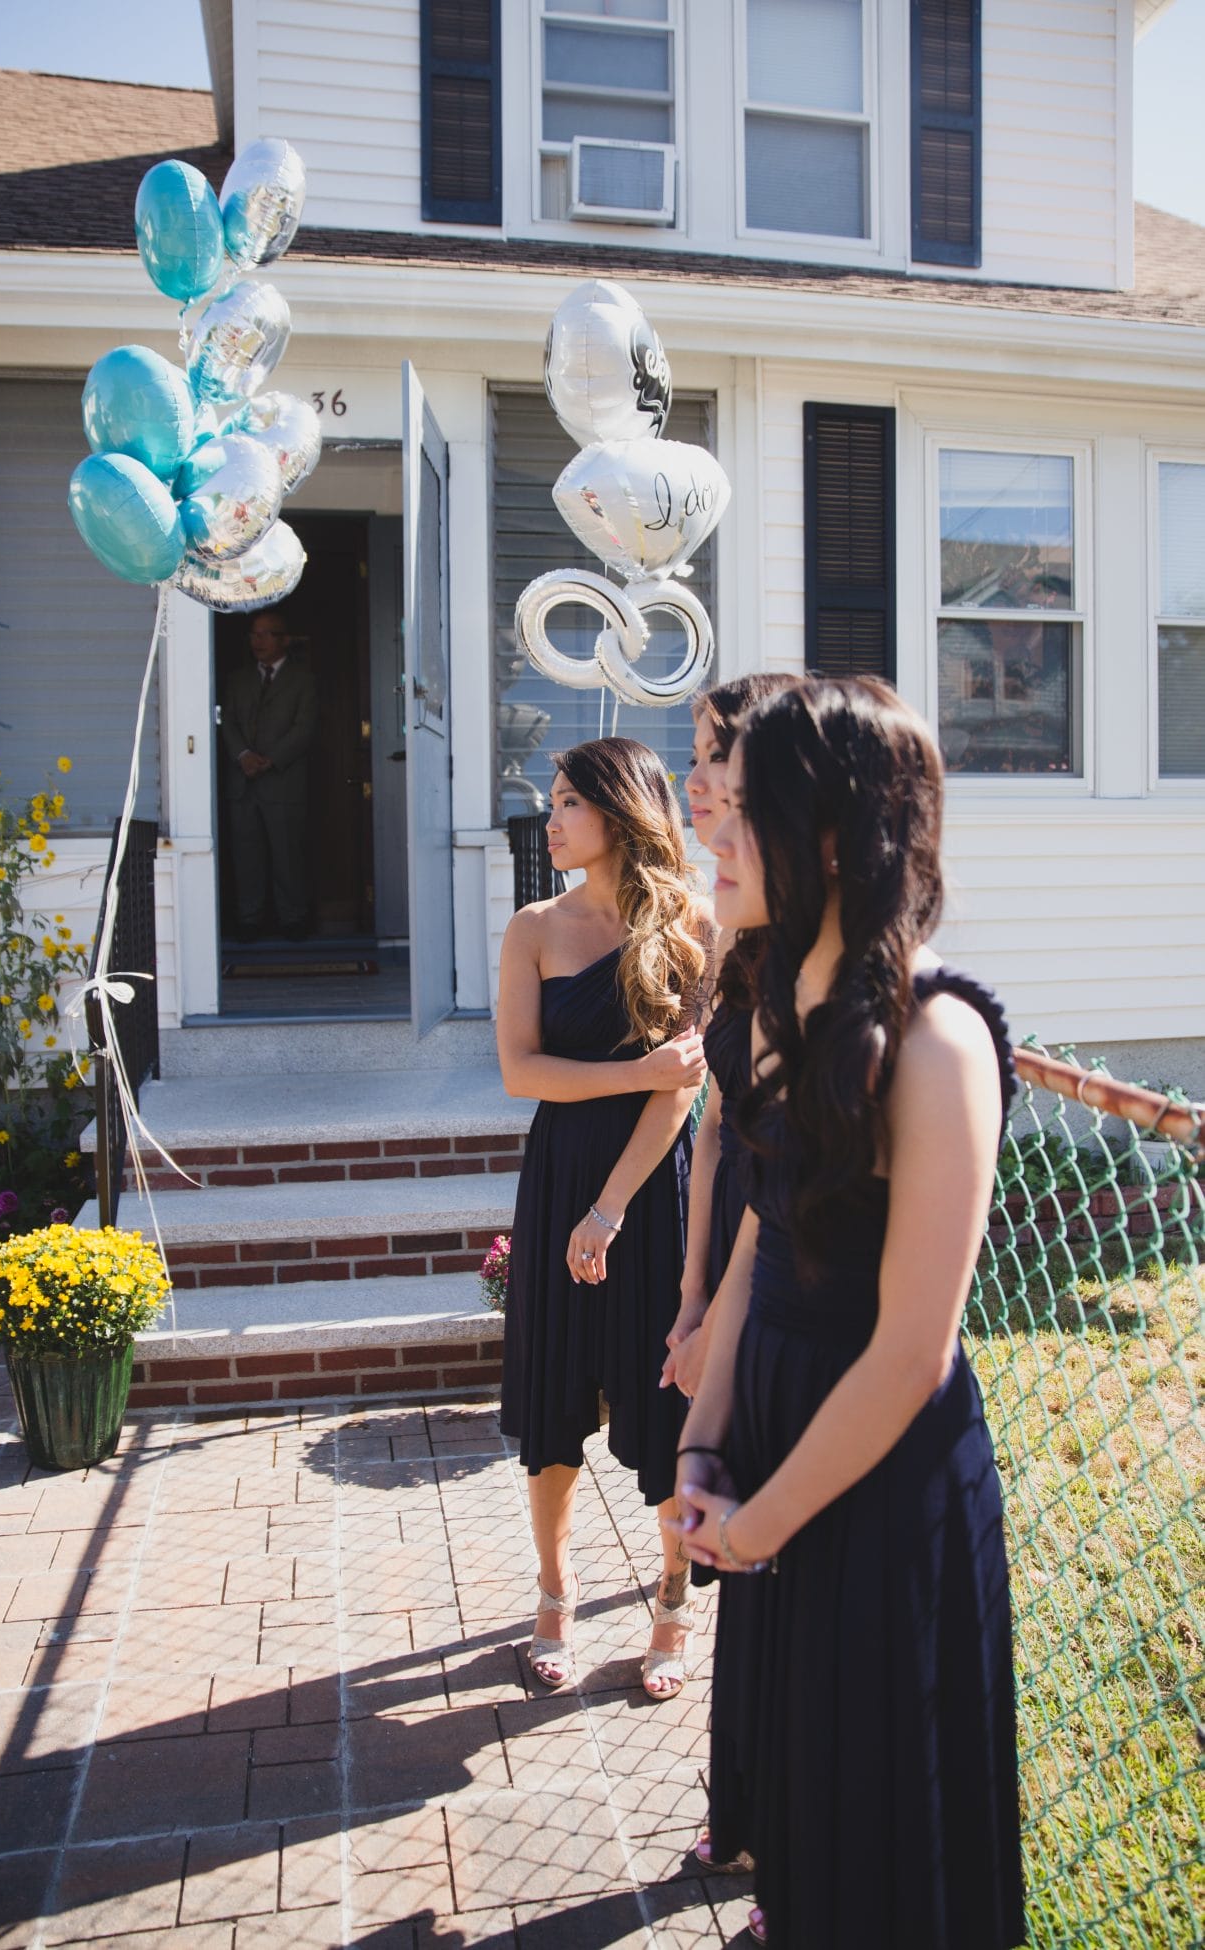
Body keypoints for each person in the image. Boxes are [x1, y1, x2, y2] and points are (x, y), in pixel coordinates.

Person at [668, 678, 1024, 1949]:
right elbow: (764, 1225)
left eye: (739, 806)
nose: (706, 828)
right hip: (773, 1456)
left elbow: (910, 1355)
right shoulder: (777, 1004)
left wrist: (757, 1523)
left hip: (872, 1486)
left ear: (825, 839)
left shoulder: (937, 1045)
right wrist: (704, 1447)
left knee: (885, 1832)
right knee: (804, 1821)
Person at [497, 737, 713, 1701]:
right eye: (551, 802)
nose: (550, 820)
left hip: (647, 1189)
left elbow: (683, 1096)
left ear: (621, 815)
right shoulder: (533, 929)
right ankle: (554, 1592)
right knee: (553, 1396)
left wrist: (612, 1210)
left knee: (660, 1395)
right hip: (558, 1178)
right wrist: (634, 1072)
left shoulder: (693, 924)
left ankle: (673, 1598)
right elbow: (522, 1072)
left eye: (567, 803)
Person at [661, 674, 797, 1412]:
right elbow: (715, 1123)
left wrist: (721, 1316)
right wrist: (693, 1292)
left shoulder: (818, 983)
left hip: (783, 1268)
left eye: (715, 755)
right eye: (694, 755)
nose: (694, 779)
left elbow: (783, 1174)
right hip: (722, 1237)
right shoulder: (734, 927)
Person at [220, 608, 317, 941]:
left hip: (283, 781)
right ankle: (249, 919)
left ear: (283, 639)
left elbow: (304, 728)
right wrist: (243, 755)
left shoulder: (303, 679)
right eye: (253, 634)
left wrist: (271, 760)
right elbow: (227, 721)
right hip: (243, 783)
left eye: (265, 634)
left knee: (288, 854)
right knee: (246, 853)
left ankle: (294, 919)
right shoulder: (238, 678)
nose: (257, 641)